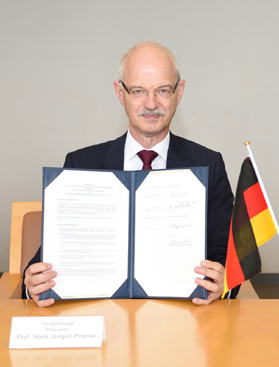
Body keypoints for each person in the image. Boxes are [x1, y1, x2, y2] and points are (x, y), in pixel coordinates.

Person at [22, 41, 234, 307]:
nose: (151, 103)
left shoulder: (209, 164)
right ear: (120, 93)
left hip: (182, 319)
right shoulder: (80, 164)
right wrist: (32, 283)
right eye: (138, 91)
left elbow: (226, 259)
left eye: (163, 90)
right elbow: (48, 261)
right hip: (101, 319)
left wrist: (221, 283)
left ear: (179, 92)